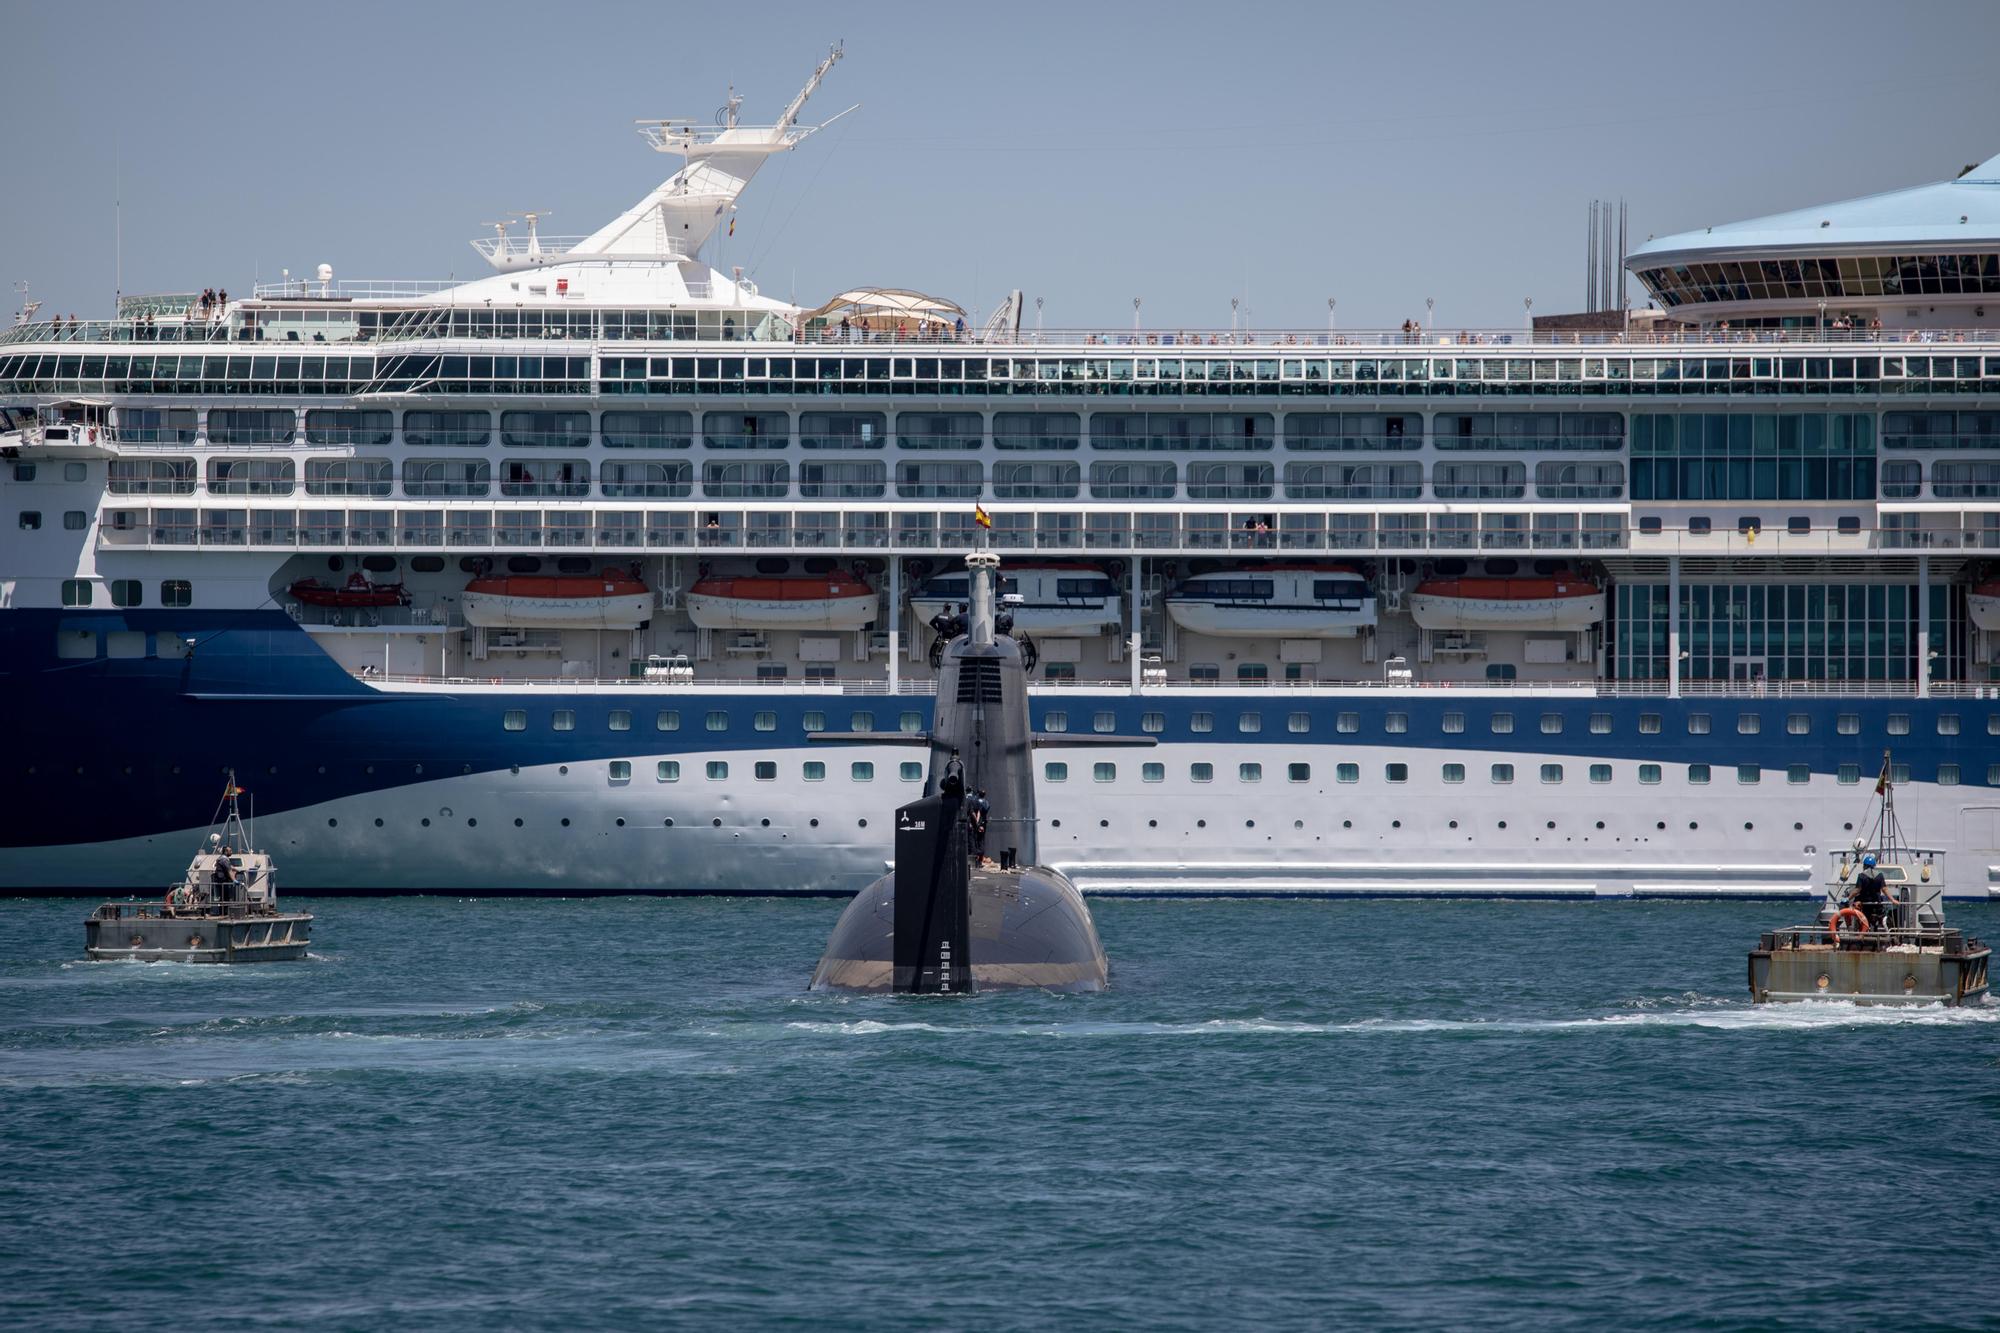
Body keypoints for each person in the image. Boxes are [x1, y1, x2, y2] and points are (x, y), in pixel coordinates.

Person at [1847, 854, 1893, 931]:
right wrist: (1892, 899)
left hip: (1865, 905)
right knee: (1881, 915)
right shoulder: (1880, 875)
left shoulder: (1861, 876)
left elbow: (1857, 890)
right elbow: (1884, 889)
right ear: (1874, 866)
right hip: (1877, 904)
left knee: (1863, 918)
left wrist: (1848, 898)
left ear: (1864, 866)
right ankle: (1883, 924)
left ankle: (1859, 930)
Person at [968, 788, 990, 861]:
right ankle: (981, 857)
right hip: (983, 822)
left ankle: (976, 857)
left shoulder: (975, 801)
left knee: (975, 839)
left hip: (977, 823)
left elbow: (976, 813)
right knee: (981, 840)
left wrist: (977, 823)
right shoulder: (986, 802)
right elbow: (985, 810)